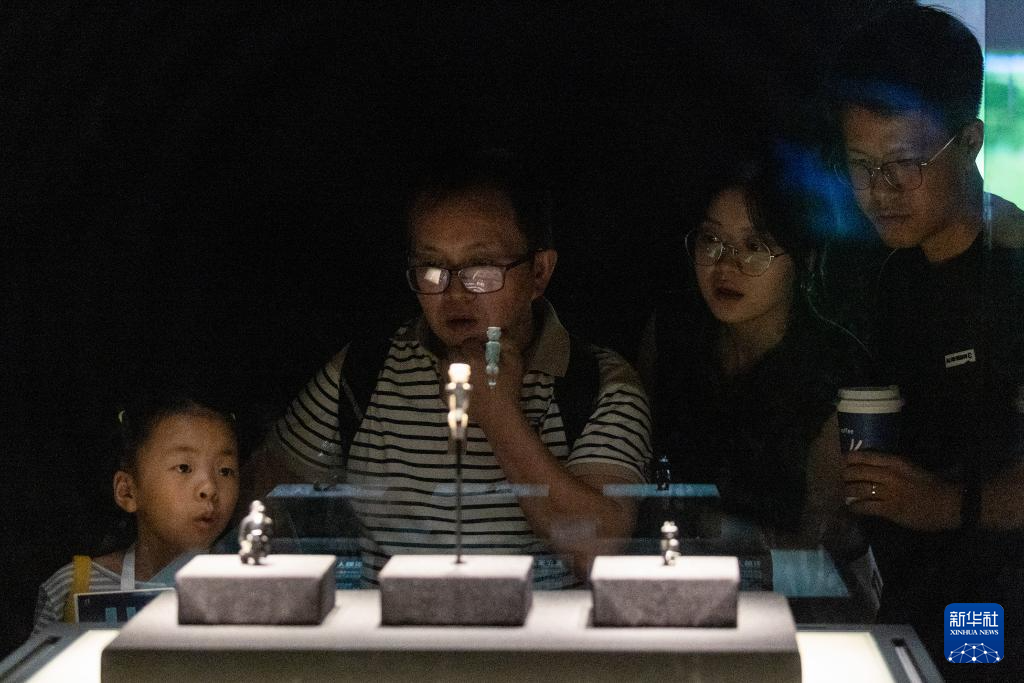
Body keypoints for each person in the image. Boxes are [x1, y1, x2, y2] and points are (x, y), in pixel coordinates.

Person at [245, 151, 652, 586]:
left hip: (534, 629)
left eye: (482, 269)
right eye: (432, 269)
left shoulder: (597, 384)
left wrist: (499, 415)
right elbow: (263, 496)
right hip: (386, 627)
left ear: (539, 272)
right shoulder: (364, 372)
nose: (455, 293)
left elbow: (597, 551)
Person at [828, 4, 1024, 676]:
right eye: (860, 165)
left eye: (904, 164)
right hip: (910, 614)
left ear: (969, 142)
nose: (879, 191)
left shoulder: (1013, 271)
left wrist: (942, 505)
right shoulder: (889, 274)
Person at [638, 158, 868, 550]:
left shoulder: (836, 368)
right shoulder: (673, 332)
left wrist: (716, 528)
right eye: (711, 240)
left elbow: (824, 533)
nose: (726, 265)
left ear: (805, 259)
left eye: (755, 247)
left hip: (786, 578)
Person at [32, 393, 240, 632]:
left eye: (225, 471)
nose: (209, 488)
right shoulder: (73, 587)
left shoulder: (255, 586)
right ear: (127, 491)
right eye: (184, 468)